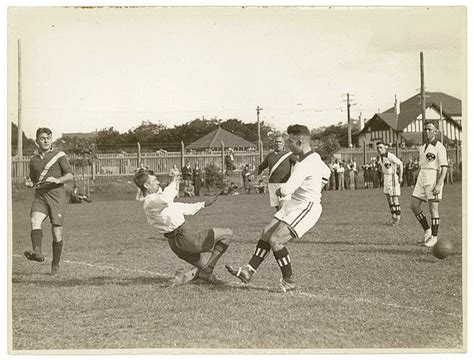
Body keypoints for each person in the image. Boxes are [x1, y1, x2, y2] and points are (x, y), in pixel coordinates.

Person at [226, 125, 330, 293]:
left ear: (300, 142)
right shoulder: (314, 158)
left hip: (306, 207)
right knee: (266, 232)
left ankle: (289, 280)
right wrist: (318, 185)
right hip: (294, 203)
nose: (288, 145)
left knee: (276, 240)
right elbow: (327, 173)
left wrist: (283, 190)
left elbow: (288, 187)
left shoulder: (305, 163)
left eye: (290, 141)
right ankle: (248, 271)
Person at [134, 169, 233, 286]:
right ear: (146, 185)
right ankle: (207, 270)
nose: (158, 183)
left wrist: (204, 204)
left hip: (176, 246)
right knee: (228, 233)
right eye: (155, 181)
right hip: (185, 239)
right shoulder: (151, 202)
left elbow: (182, 207)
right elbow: (167, 198)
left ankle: (181, 278)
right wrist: (174, 181)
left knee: (204, 268)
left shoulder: (156, 201)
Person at [23, 127, 74, 274]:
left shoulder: (59, 155)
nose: (45, 141)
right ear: (37, 141)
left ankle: (55, 264)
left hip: (56, 196)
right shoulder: (33, 160)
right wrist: (30, 184)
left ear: (51, 139)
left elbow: (70, 176)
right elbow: (33, 180)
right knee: (34, 220)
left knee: (56, 233)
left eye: (48, 138)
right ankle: (37, 251)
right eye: (42, 138)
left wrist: (57, 179)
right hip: (40, 196)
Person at [410, 121, 448, 247]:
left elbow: (444, 167)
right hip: (422, 177)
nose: (427, 131)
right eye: (425, 129)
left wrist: (439, 184)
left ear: (436, 131)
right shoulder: (423, 147)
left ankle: (434, 237)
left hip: (433, 177)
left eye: (430, 129)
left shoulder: (439, 147)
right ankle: (427, 231)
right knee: (414, 205)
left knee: (433, 209)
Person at [255, 135, 292, 210]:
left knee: (283, 205)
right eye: (276, 142)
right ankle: (283, 220)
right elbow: (261, 167)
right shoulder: (270, 156)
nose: (278, 144)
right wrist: (253, 174)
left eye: (280, 142)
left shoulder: (290, 155)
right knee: (278, 207)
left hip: (285, 184)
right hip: (272, 183)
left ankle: (285, 220)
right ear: (273, 144)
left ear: (283, 143)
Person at [376, 141, 403, 226]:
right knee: (388, 198)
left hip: (392, 178)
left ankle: (398, 219)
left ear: (385, 147)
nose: (379, 149)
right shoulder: (381, 157)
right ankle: (393, 217)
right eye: (378, 148)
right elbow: (384, 169)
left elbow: (400, 164)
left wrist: (401, 176)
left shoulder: (390, 156)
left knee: (394, 198)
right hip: (386, 178)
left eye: (381, 147)